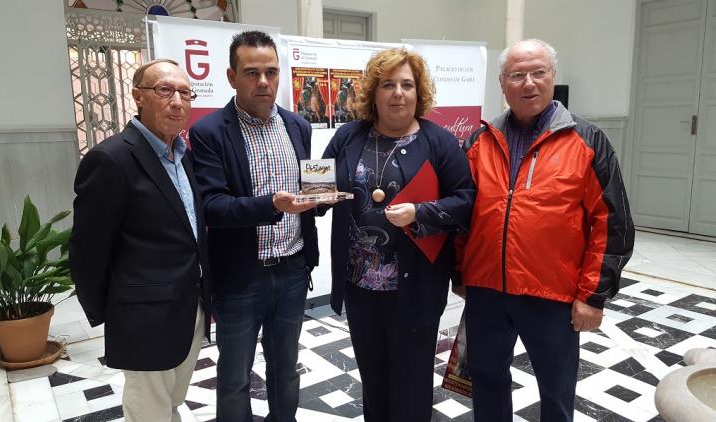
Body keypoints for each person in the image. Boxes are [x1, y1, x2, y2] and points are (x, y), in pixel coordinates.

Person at [458, 39, 635, 421]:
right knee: (485, 378)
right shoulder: (479, 141)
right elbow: (461, 214)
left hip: (552, 294)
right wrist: (460, 273)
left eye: (539, 73)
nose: (529, 83)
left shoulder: (587, 141)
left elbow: (611, 222)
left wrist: (593, 295)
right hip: (487, 290)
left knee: (556, 390)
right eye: (517, 75)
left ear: (553, 77)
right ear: (503, 84)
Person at [321, 48, 475, 421]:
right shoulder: (348, 136)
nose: (398, 93)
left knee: (411, 382)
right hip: (360, 286)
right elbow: (319, 184)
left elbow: (467, 201)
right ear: (373, 92)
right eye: (388, 84)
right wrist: (314, 199)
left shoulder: (438, 142)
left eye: (407, 85)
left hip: (417, 287)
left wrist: (419, 213)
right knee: (373, 380)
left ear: (418, 93)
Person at [69, 58, 211, 422]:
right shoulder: (111, 159)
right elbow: (87, 251)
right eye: (165, 90)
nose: (177, 101)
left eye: (184, 92)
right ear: (138, 96)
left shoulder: (183, 156)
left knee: (170, 401)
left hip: (189, 305)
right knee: (149, 410)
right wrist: (115, 314)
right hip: (144, 316)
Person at [188, 31, 319, 422]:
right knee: (234, 380)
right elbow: (213, 207)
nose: (263, 81)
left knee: (285, 371)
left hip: (293, 270)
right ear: (231, 77)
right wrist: (271, 205)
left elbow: (306, 193)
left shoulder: (298, 126)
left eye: (271, 72)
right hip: (241, 277)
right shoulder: (210, 132)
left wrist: (321, 201)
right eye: (251, 73)